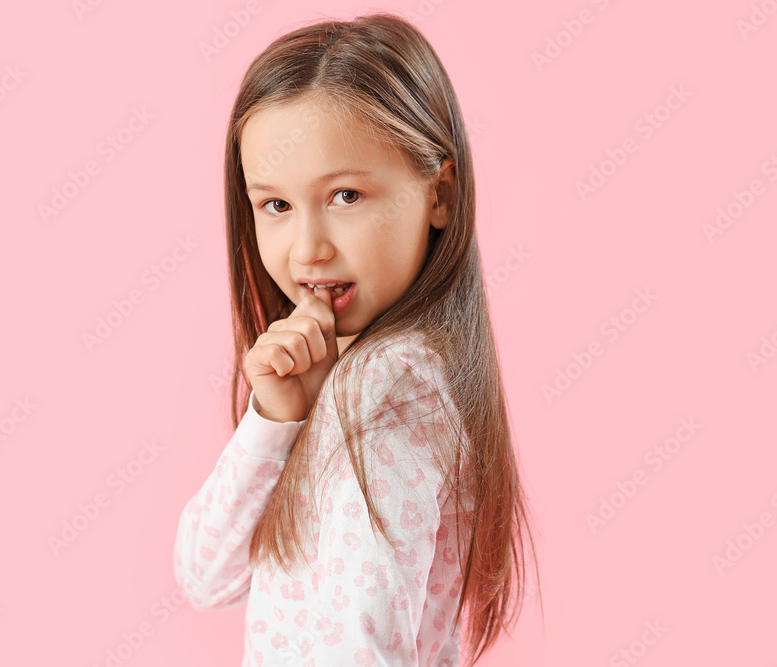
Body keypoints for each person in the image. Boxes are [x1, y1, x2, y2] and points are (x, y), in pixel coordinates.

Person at [174, 12, 541, 666]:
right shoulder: (354, 380)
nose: (307, 248)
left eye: (345, 195)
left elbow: (360, 645)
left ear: (440, 195)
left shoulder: (389, 389)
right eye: (276, 206)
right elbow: (207, 575)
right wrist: (273, 420)